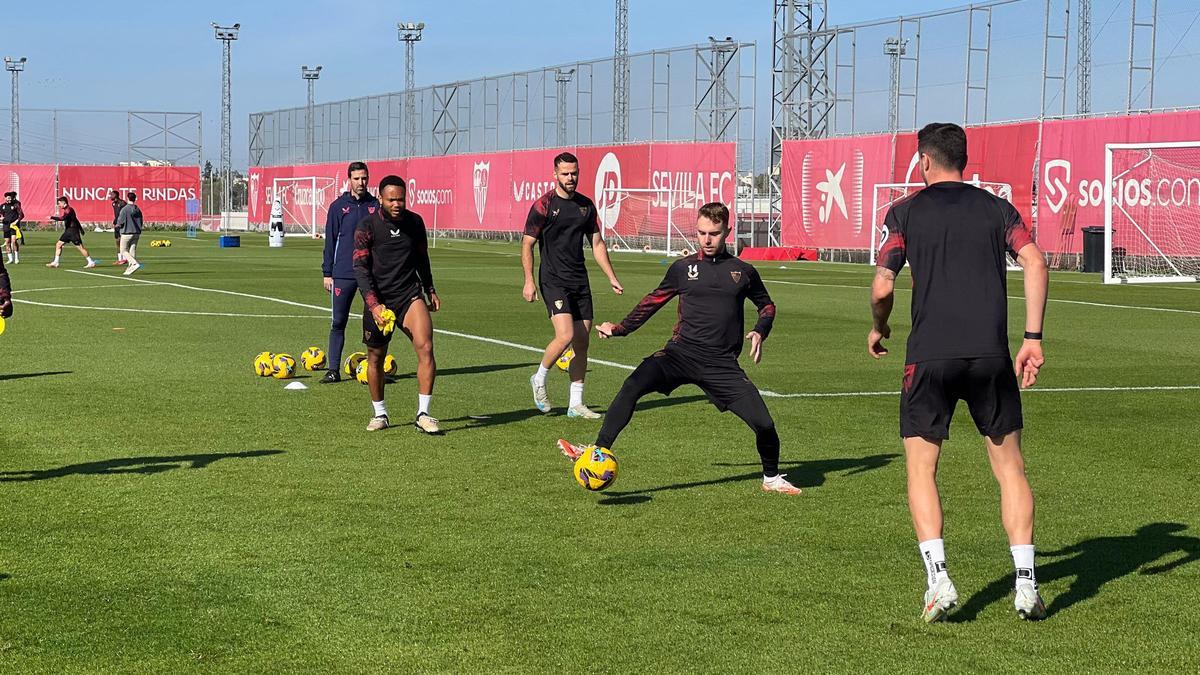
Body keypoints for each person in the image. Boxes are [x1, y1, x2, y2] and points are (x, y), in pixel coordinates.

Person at [868, 122, 1049, 623]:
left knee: (922, 469)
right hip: (990, 355)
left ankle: (939, 580)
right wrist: (1031, 339)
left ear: (925, 160)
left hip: (929, 357)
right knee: (1010, 469)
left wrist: (878, 328)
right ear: (963, 160)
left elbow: (884, 284)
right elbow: (1035, 262)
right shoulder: (996, 208)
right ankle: (1027, 584)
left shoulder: (905, 211)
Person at [557, 202, 802, 496]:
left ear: (727, 231)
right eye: (701, 233)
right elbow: (653, 301)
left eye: (714, 233)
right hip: (679, 354)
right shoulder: (683, 269)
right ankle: (598, 450)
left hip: (720, 365)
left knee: (764, 424)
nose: (707, 240)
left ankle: (772, 479)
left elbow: (768, 306)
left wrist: (760, 331)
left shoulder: (743, 272)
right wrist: (621, 328)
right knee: (633, 384)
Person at [521, 151, 623, 418]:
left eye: (574, 173)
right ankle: (539, 378)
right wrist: (529, 280)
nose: (570, 178)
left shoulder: (586, 206)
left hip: (580, 281)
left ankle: (575, 404)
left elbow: (597, 244)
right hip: (553, 280)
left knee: (581, 342)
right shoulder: (543, 205)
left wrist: (611, 277)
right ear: (555, 174)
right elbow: (527, 244)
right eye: (565, 173)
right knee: (565, 335)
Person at [352, 175, 441, 434]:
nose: (397, 204)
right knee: (376, 357)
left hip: (409, 295)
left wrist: (430, 289)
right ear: (380, 198)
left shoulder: (415, 222)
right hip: (379, 299)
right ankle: (380, 414)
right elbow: (360, 268)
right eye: (391, 199)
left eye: (401, 199)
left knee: (426, 347)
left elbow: (422, 259)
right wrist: (374, 305)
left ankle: (423, 414)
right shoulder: (367, 226)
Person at [320, 161, 379, 383]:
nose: (361, 182)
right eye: (356, 178)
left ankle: (376, 370)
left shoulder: (376, 205)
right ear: (349, 180)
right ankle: (333, 369)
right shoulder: (337, 207)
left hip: (370, 274)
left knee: (376, 322)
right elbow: (330, 240)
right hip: (343, 273)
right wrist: (327, 273)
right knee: (338, 321)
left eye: (364, 178)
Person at [46, 197, 97, 268]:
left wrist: (51, 217)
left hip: (73, 231)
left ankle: (90, 262)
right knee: (58, 244)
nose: (59, 205)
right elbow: (76, 220)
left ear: (64, 203)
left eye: (59, 203)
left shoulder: (68, 210)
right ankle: (56, 262)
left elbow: (62, 218)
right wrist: (81, 229)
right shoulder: (67, 209)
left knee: (80, 247)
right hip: (68, 231)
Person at [116, 191, 144, 276]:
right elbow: (141, 220)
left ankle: (134, 263)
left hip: (127, 232)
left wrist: (117, 226)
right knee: (132, 249)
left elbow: (120, 221)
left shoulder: (125, 209)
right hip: (136, 232)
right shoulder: (137, 209)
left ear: (127, 198)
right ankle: (131, 266)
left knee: (123, 250)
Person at [2, 191, 24, 265]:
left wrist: (16, 221)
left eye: (10, 198)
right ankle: (10, 259)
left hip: (14, 226)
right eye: (7, 198)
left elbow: (22, 215)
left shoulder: (16, 205)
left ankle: (16, 258)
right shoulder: (2, 206)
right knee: (7, 242)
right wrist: (1, 218)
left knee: (14, 241)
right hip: (6, 226)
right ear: (5, 198)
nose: (8, 199)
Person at [110, 189, 127, 265]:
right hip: (116, 224)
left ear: (116, 195)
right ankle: (120, 259)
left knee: (123, 241)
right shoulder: (113, 204)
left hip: (122, 225)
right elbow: (117, 215)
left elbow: (125, 214)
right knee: (117, 241)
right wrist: (115, 222)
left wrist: (121, 223)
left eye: (112, 195)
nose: (110, 196)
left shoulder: (123, 203)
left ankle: (125, 258)